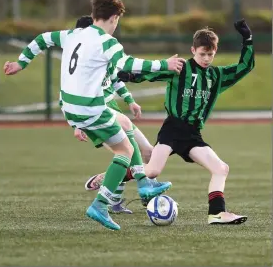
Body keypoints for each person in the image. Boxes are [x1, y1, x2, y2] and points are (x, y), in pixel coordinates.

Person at [4, 0, 184, 230]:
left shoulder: (73, 34)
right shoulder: (106, 42)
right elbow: (129, 64)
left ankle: (144, 184)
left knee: (126, 126)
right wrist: (166, 64)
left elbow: (42, 39)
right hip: (90, 107)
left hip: (70, 107)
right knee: (125, 151)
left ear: (93, 14)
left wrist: (20, 63)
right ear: (114, 18)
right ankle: (102, 204)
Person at [87, 19, 254, 225]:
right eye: (202, 54)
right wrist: (130, 75)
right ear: (193, 50)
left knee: (221, 168)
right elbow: (154, 72)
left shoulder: (216, 76)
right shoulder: (180, 68)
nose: (207, 58)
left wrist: (247, 39)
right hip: (173, 129)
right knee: (152, 171)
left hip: (193, 135)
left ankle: (217, 213)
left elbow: (245, 66)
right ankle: (108, 177)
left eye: (211, 54)